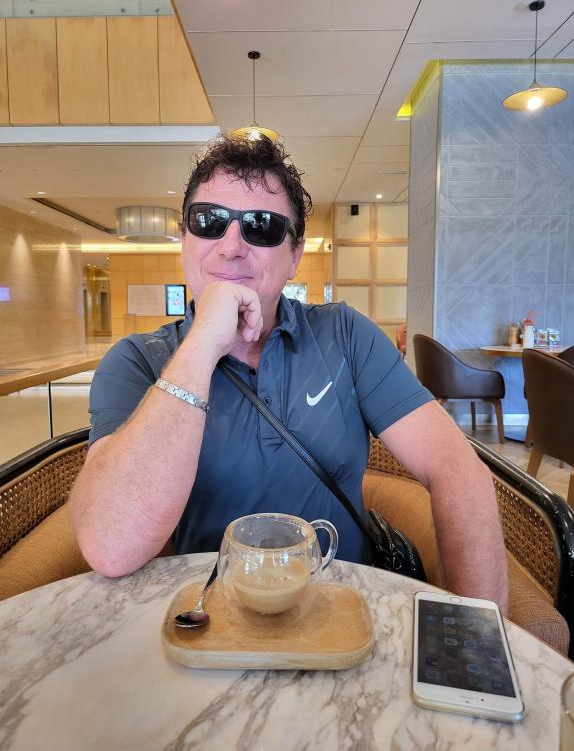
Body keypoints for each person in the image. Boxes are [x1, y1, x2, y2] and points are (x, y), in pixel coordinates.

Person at [69, 134, 508, 611]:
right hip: (210, 615)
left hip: (343, 609)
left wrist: (477, 635)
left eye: (261, 227)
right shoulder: (138, 361)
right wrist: (201, 346)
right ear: (184, 240)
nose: (231, 247)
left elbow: (457, 471)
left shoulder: (344, 335)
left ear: (295, 255)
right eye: (209, 221)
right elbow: (111, 545)